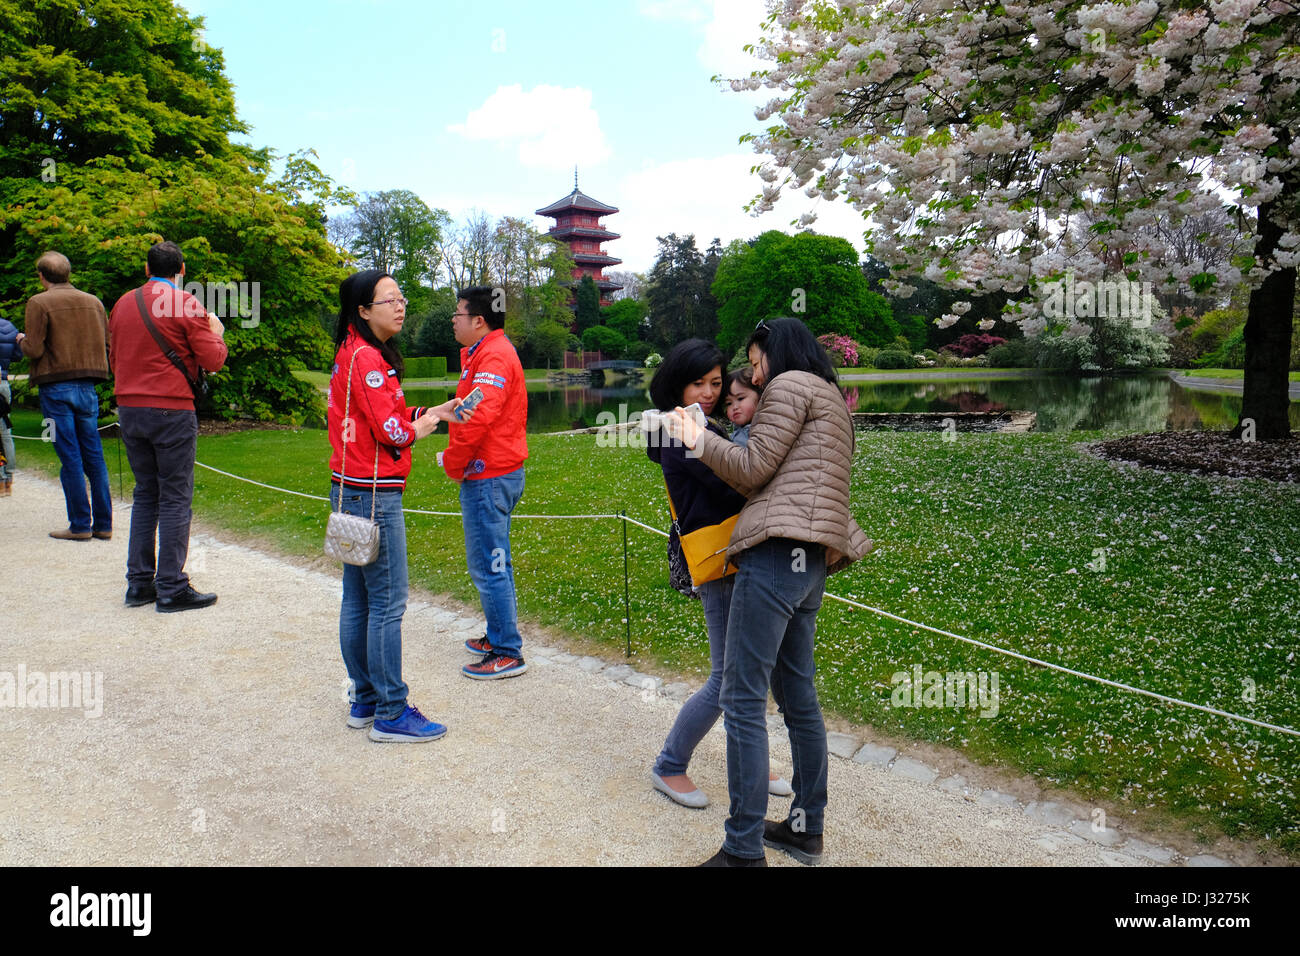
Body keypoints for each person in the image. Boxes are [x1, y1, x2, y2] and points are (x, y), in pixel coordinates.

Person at [668, 317, 873, 867]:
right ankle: (805, 830)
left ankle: (741, 850)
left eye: (756, 362)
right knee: (800, 700)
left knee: (740, 699)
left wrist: (698, 437)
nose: (754, 375)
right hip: (814, 562)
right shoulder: (831, 395)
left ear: (775, 352)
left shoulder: (786, 385)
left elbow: (754, 468)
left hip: (776, 553)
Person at [646, 340, 791, 809]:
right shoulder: (678, 433)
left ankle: (750, 758)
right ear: (676, 384)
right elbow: (732, 485)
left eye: (715, 383)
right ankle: (669, 763)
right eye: (698, 384)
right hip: (718, 560)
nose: (709, 393)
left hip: (740, 554)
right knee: (726, 676)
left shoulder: (705, 426)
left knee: (747, 671)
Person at [329, 269, 466, 741]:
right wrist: (421, 430)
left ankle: (364, 699)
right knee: (387, 603)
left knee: (358, 598)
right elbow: (391, 433)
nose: (400, 305)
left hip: (348, 486)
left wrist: (431, 412)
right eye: (390, 300)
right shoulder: (368, 358)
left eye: (401, 297)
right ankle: (391, 711)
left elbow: (377, 417)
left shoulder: (353, 351)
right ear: (364, 311)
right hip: (373, 494)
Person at [108, 241, 227, 611]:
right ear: (183, 269)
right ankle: (172, 586)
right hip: (170, 408)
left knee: (146, 494)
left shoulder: (122, 304)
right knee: (175, 496)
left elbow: (114, 355)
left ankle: (139, 582)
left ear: (147, 269)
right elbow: (213, 360)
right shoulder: (187, 303)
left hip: (129, 407)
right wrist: (217, 332)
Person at [444, 285, 530, 680]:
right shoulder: (487, 352)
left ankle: (507, 651)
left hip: (489, 474)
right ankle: (500, 634)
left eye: (458, 313)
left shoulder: (492, 356)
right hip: (498, 470)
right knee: (497, 559)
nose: (453, 320)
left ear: (478, 320)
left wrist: (453, 463)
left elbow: (474, 417)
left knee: (488, 564)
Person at [18, 252, 113, 538]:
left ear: (42, 275)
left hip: (55, 387)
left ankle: (80, 525)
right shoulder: (94, 302)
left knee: (68, 454)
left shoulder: (39, 302)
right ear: (68, 273)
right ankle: (105, 524)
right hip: (88, 387)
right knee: (94, 456)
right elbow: (108, 344)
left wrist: (21, 340)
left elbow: (34, 349)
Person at [0, 314, 19, 496]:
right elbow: (17, 354)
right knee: (6, 432)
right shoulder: (8, 326)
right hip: (3, 382)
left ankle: (0, 479)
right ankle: (9, 477)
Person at [723, 365, 761, 447]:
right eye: (728, 403)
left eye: (740, 398)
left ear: (760, 396)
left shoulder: (764, 430)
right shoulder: (732, 433)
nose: (735, 407)